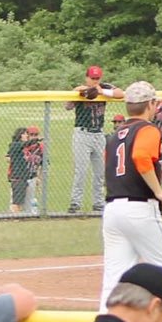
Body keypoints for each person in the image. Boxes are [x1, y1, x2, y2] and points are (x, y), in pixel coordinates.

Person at [98, 82, 162, 310]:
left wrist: (154, 172)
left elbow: (114, 166)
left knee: (114, 278)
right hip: (140, 208)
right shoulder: (148, 129)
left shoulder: (115, 135)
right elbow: (141, 157)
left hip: (113, 209)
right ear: (150, 104)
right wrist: (159, 191)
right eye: (155, 103)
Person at [67, 65, 124, 213]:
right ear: (87, 78)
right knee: (81, 171)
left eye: (97, 78)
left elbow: (120, 93)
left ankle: (98, 203)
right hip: (82, 133)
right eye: (92, 78)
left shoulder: (104, 87)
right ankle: (75, 203)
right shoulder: (82, 89)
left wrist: (102, 91)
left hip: (98, 134)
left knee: (100, 171)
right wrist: (78, 92)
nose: (95, 81)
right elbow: (67, 106)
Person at [5, 126, 43, 214]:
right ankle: (15, 217)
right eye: (26, 134)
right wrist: (36, 140)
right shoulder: (15, 145)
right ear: (20, 135)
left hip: (26, 177)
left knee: (25, 202)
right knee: (16, 202)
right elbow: (23, 145)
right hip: (18, 177)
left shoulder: (27, 148)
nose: (27, 136)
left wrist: (38, 176)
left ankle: (21, 216)